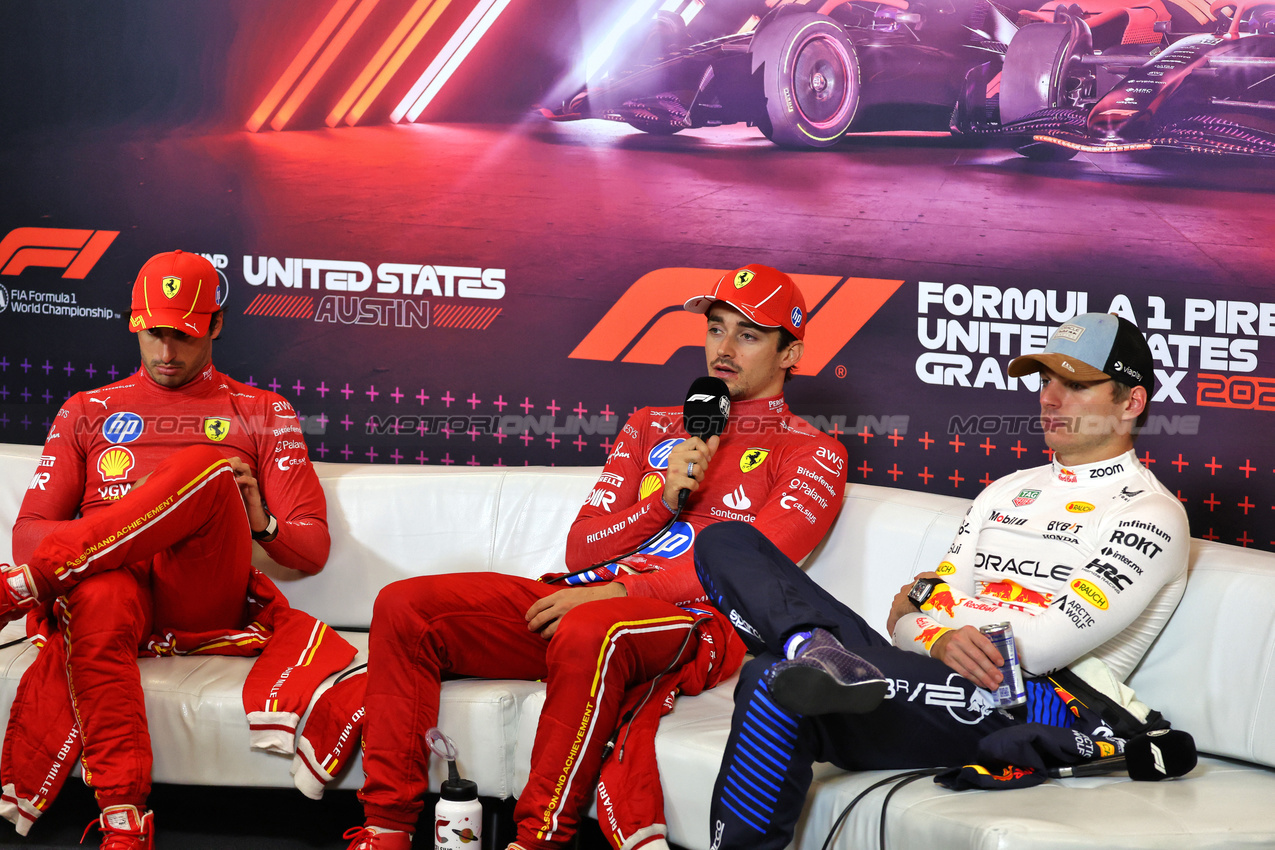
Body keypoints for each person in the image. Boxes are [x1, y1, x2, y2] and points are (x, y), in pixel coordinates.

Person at [343, 265, 849, 850]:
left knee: (590, 627)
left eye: (749, 334)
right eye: (715, 329)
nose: (724, 349)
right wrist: (661, 502)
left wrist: (618, 595)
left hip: (691, 625)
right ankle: (384, 831)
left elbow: (750, 577)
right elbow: (583, 548)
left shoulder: (813, 453)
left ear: (793, 353)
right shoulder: (650, 427)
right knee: (406, 605)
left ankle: (537, 840)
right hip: (591, 595)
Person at [694, 312, 1190, 850]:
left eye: (1076, 384)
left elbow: (1038, 648)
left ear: (1131, 402)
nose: (1051, 398)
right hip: (930, 675)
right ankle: (810, 643)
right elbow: (905, 625)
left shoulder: (1151, 514)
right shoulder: (1004, 491)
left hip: (1031, 700)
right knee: (724, 542)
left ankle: (806, 654)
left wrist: (933, 614)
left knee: (771, 678)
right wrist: (935, 630)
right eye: (1046, 380)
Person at [0, 250, 335, 849]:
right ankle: (124, 819)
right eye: (152, 333)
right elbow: (28, 531)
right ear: (134, 322)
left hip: (200, 600)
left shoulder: (261, 411)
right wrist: (119, 544)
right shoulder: (86, 410)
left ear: (217, 324)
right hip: (114, 593)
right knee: (97, 595)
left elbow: (311, 548)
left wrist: (258, 518)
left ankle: (21, 587)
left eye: (183, 335)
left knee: (205, 469)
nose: (165, 353)